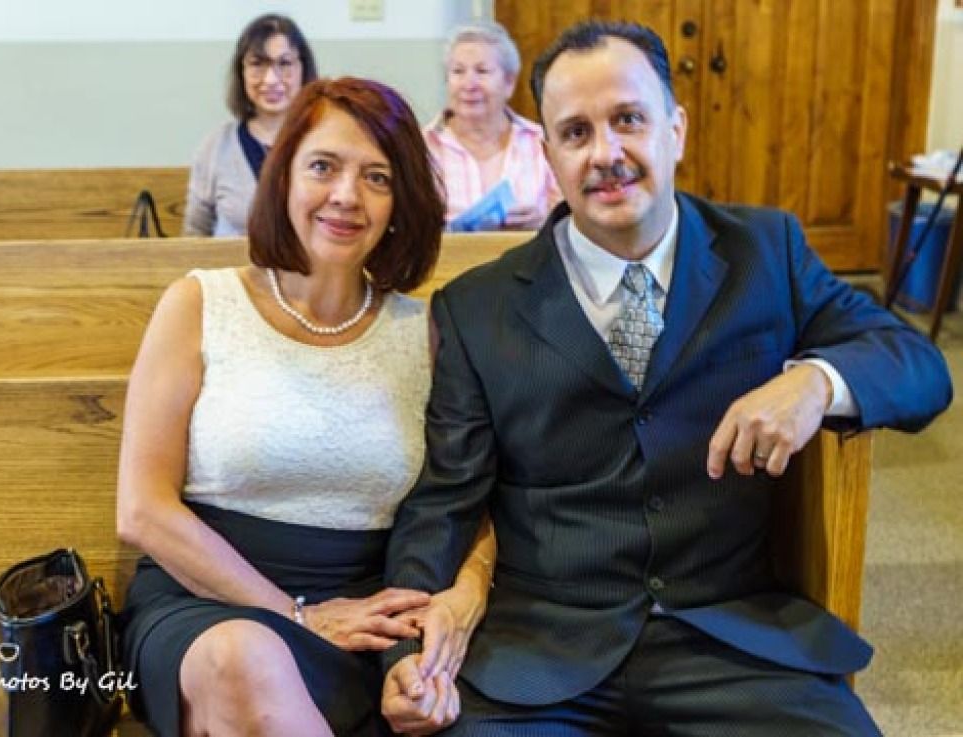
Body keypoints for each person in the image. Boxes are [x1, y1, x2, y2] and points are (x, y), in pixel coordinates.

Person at [381, 20, 953, 736]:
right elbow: (444, 501)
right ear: (548, 154)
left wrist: (815, 381)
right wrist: (403, 649)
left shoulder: (764, 252)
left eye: (628, 120)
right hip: (542, 650)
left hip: (730, 640)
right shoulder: (477, 307)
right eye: (577, 132)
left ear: (676, 129)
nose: (607, 153)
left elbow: (920, 366)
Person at [118, 77, 494, 737]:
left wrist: (459, 606)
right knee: (245, 659)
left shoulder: (426, 332)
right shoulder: (200, 304)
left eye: (377, 178)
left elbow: (472, 503)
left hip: (371, 615)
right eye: (324, 166)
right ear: (283, 175)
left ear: (401, 201)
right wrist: (296, 614)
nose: (347, 196)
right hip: (206, 602)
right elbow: (142, 511)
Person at [182, 14, 318, 236]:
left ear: (303, 68)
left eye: (284, 63)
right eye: (257, 64)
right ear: (241, 71)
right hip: (234, 269)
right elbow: (195, 232)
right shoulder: (216, 146)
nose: (271, 79)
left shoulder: (324, 140)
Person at [426, 21, 560, 231]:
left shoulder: (541, 141)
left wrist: (545, 221)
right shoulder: (421, 146)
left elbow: (575, 217)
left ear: (509, 83)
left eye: (482, 71)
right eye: (458, 72)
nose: (469, 84)